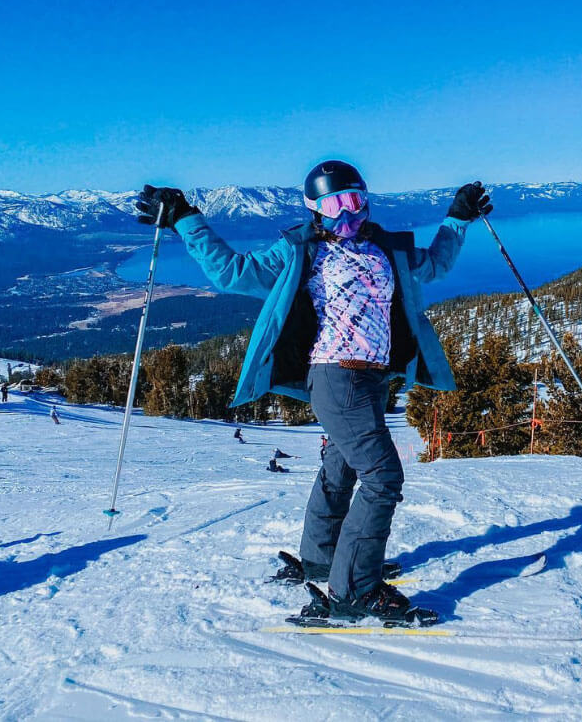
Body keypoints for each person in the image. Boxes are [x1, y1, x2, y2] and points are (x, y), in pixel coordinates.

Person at [135, 161, 490, 625]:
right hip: (335, 378)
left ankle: (323, 560)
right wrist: (185, 216)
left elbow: (437, 264)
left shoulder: (387, 248)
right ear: (315, 212)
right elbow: (231, 272)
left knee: (343, 466)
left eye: (355, 204)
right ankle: (354, 591)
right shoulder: (300, 252)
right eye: (334, 207)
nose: (348, 218)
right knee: (383, 479)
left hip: (373, 379)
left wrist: (457, 217)